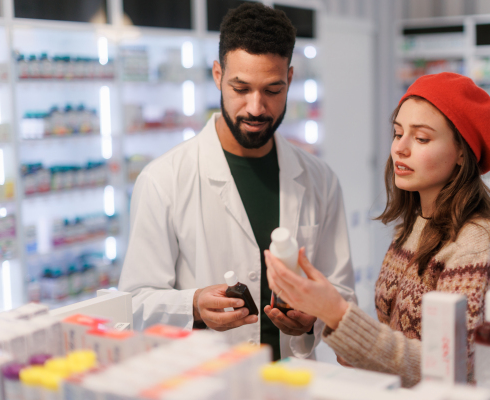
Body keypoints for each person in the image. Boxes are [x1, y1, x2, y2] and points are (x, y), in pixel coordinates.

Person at [118, 2, 356, 361]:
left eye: (273, 90)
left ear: (290, 79)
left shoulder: (320, 180)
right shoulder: (163, 179)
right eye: (240, 88)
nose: (256, 108)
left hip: (292, 380)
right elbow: (134, 301)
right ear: (217, 75)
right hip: (207, 380)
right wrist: (194, 304)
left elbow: (342, 295)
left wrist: (313, 319)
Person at [265, 72, 490, 385]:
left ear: (461, 152)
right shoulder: (417, 222)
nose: (400, 149)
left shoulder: (476, 243)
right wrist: (320, 315)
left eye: (421, 138)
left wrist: (337, 313)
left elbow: (447, 365)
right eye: (397, 133)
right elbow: (394, 336)